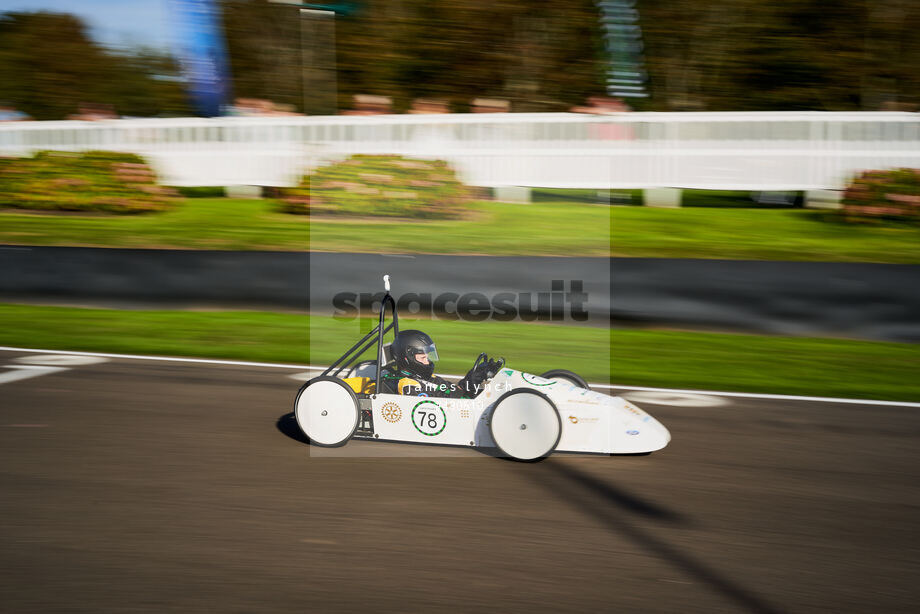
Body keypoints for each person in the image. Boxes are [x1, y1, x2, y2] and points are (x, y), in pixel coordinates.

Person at [379, 329, 502, 399]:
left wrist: (472, 380)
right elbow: (442, 403)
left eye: (428, 357)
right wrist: (469, 383)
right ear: (407, 358)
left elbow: (451, 390)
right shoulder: (408, 384)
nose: (427, 362)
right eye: (423, 357)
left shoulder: (428, 378)